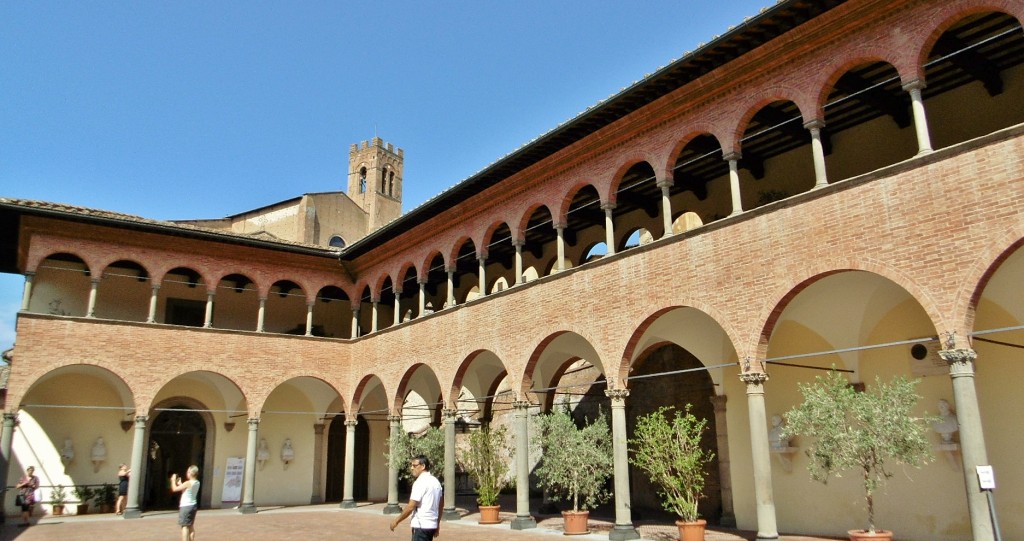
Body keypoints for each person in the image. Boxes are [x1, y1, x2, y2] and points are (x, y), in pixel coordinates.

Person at [389, 455, 442, 540]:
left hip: (421, 525)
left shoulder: (420, 482)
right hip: (431, 525)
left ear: (423, 466)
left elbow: (411, 506)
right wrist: (437, 524)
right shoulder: (436, 482)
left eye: (414, 465)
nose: (412, 468)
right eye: (411, 465)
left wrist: (396, 521)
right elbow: (440, 504)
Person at [171, 465, 200, 541]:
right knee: (191, 525)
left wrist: (173, 480)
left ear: (190, 473)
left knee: (184, 526)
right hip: (193, 505)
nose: (187, 473)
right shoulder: (197, 482)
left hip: (186, 506)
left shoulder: (188, 483)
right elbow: (186, 491)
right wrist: (181, 484)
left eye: (188, 471)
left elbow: (174, 489)